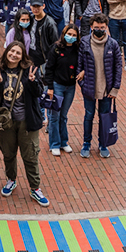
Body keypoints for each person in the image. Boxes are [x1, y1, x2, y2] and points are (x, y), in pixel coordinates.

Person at [0, 42, 49, 206]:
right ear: (7, 52)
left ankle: (35, 188)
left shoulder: (30, 70)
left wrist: (32, 81)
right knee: (8, 153)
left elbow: (38, 93)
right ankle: (11, 179)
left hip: (27, 122)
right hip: (7, 121)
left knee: (30, 155)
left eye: (18, 52)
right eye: (12, 51)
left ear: (22, 55)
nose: (14, 55)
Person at [76, 14, 122, 159]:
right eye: (96, 28)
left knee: (104, 117)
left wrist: (115, 88)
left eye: (102, 28)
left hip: (106, 90)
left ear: (106, 27)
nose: (99, 30)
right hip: (89, 88)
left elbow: (118, 67)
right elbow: (79, 65)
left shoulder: (113, 44)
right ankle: (86, 143)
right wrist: (82, 83)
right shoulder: (84, 42)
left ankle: (103, 144)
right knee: (88, 116)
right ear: (91, 27)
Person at [44, 23, 79, 156]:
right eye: (69, 34)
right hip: (57, 85)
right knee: (54, 116)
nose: (71, 37)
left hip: (70, 87)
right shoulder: (56, 49)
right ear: (64, 34)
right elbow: (49, 69)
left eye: (74, 35)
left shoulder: (77, 49)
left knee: (63, 116)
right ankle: (54, 144)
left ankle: (64, 142)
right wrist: (50, 88)